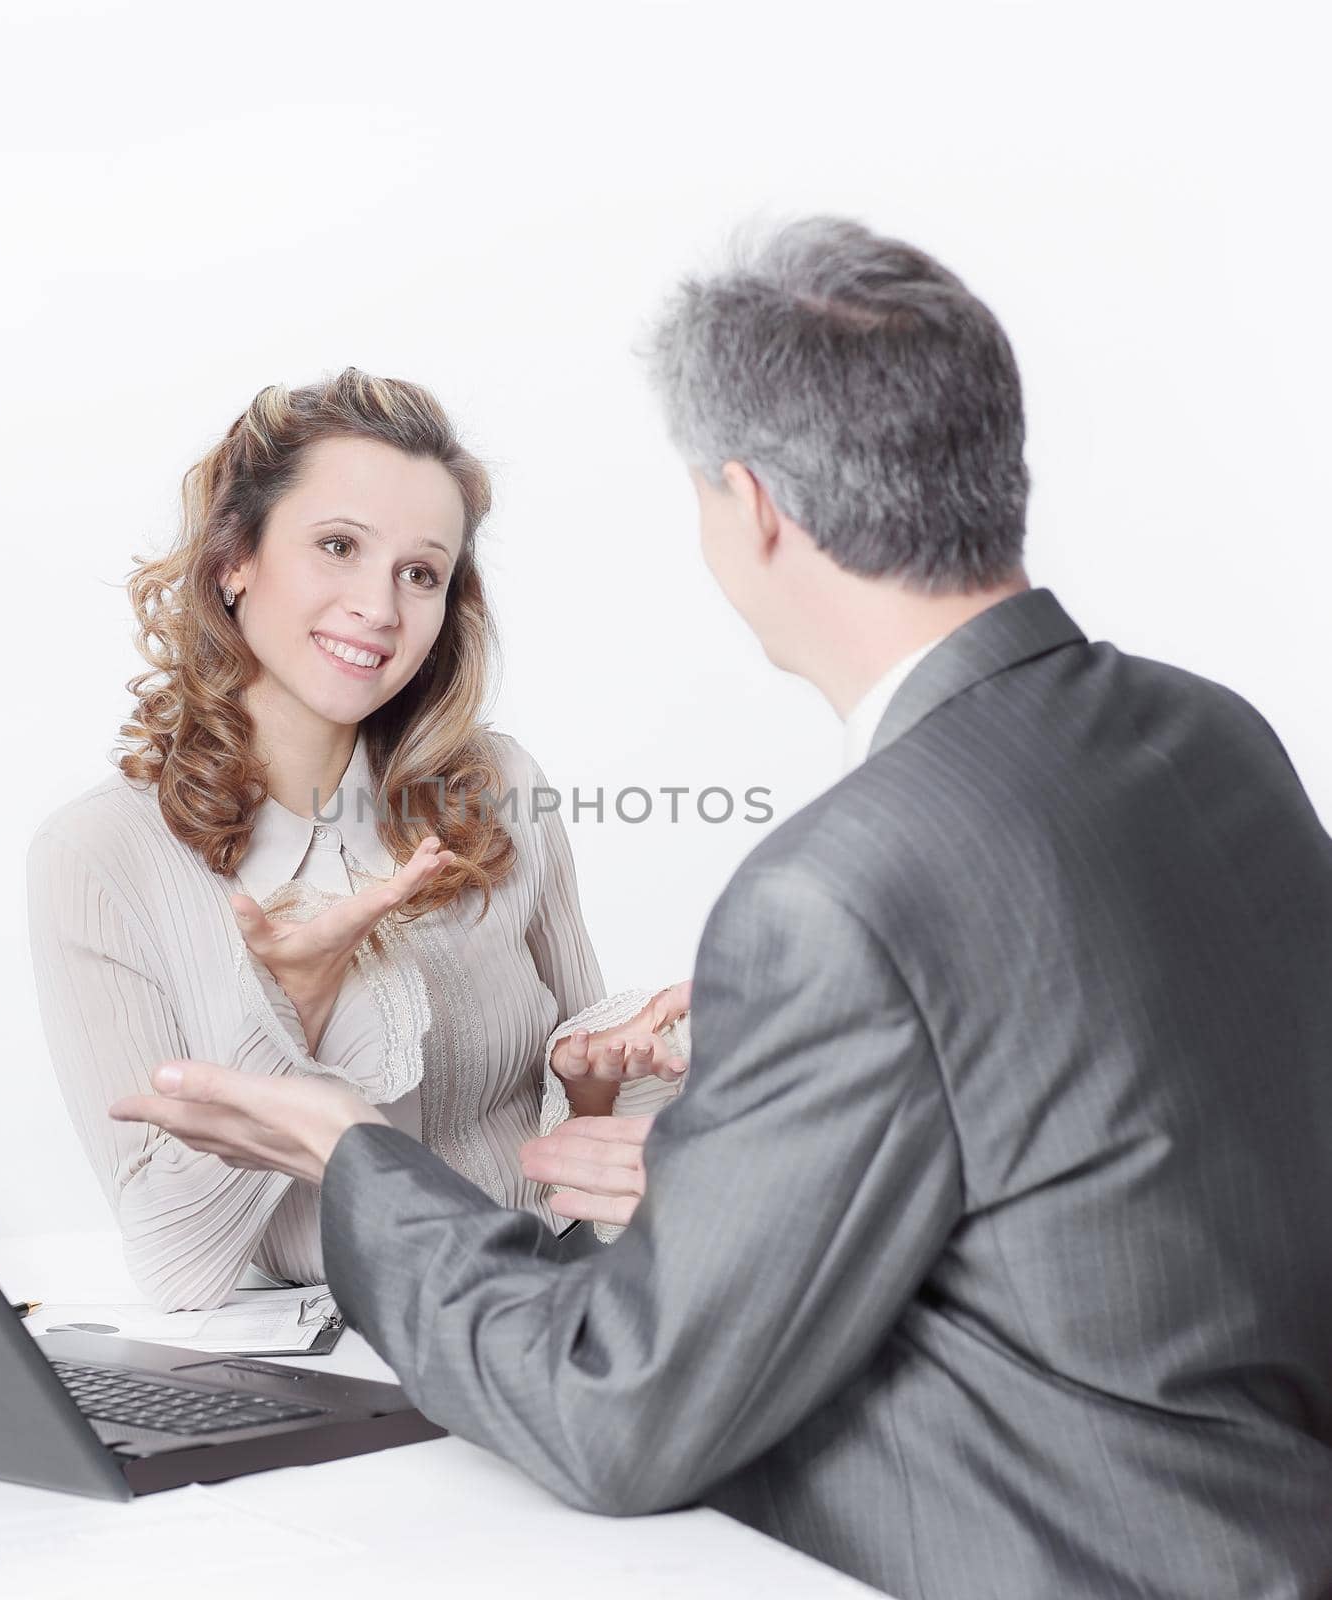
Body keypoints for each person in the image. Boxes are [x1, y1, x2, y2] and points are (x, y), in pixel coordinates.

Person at [108, 220, 1332, 1597]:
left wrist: (350, 1159)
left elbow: (611, 1414)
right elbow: (1139, 1174)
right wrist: (725, 1177)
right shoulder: (1209, 735)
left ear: (747, 508)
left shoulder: (835, 886)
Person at [26, 368, 690, 1312]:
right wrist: (288, 1013)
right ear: (233, 560)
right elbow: (174, 1263)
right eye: (337, 545)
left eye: (419, 572)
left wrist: (593, 1086)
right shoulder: (99, 855)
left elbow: (570, 1153)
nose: (379, 608)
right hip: (333, 1351)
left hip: (561, 1303)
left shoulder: (499, 786)